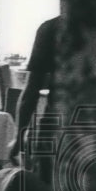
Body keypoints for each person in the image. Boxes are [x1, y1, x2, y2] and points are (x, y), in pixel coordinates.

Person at [8, 15, 60, 164]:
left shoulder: (51, 28)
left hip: (59, 122)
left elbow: (31, 91)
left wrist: (19, 138)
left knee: (47, 184)